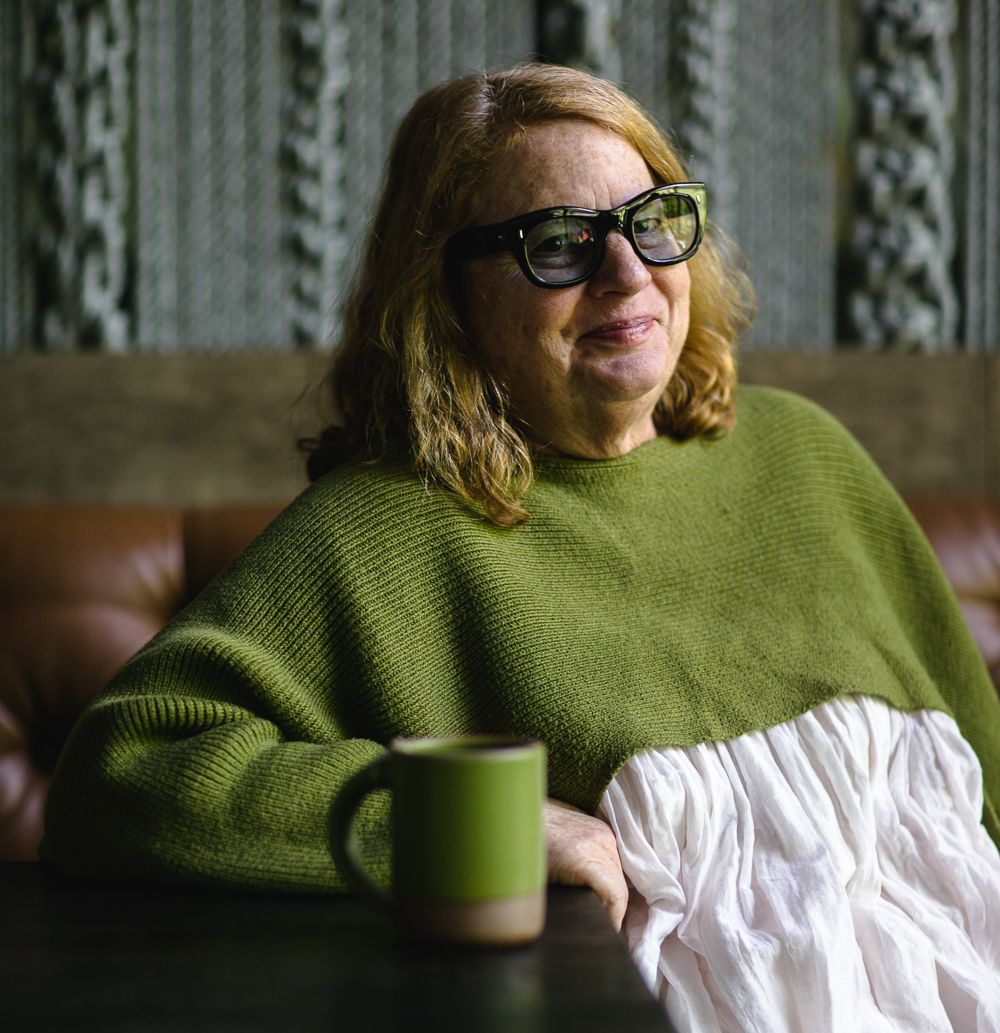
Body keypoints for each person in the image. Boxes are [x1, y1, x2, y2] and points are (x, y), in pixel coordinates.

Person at [43, 63, 1000, 1032]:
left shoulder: (808, 454)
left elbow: (985, 775)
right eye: (559, 243)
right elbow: (119, 770)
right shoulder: (381, 532)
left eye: (651, 220)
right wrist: (479, 831)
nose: (626, 273)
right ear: (445, 298)